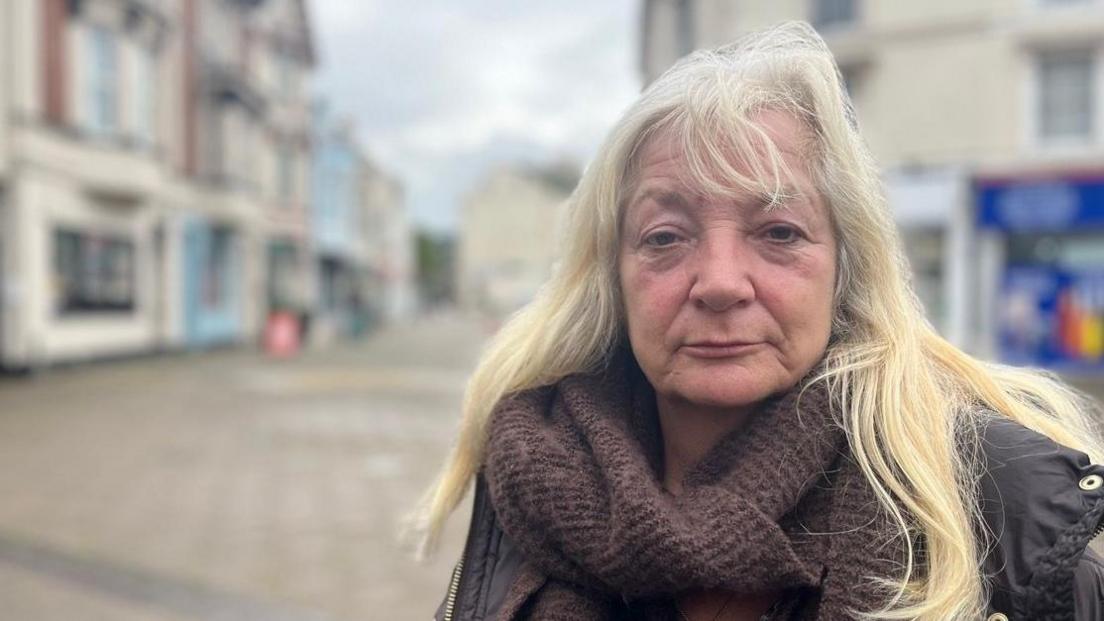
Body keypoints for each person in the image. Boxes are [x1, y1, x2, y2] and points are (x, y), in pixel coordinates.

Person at [419, 22, 1104, 620]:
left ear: (845, 268)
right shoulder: (532, 480)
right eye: (664, 236)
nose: (719, 282)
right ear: (612, 276)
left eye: (778, 232)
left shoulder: (988, 507)